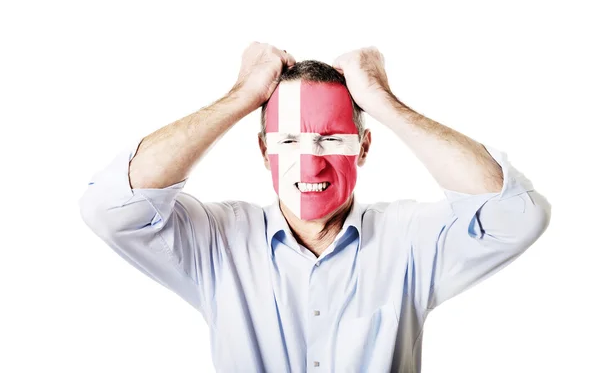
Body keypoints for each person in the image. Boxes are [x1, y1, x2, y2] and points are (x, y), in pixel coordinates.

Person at [79, 42, 551, 372]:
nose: (310, 162)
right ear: (264, 152)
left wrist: (382, 101)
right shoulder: (216, 242)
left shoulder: (410, 240)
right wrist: (241, 97)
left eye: (330, 139)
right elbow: (110, 206)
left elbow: (516, 216)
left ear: (363, 148)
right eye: (287, 141)